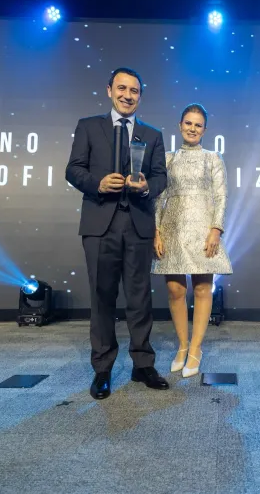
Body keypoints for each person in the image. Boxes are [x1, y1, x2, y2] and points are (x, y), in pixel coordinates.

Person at [66, 67, 169, 399]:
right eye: (122, 89)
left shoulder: (152, 135)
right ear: (109, 90)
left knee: (140, 299)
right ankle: (103, 371)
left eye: (134, 91)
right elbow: (73, 169)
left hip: (138, 223)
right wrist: (97, 184)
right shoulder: (88, 126)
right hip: (99, 225)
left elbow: (160, 178)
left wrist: (144, 188)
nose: (128, 95)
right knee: (102, 299)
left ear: (141, 95)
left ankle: (142, 365)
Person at [152, 103, 233, 377]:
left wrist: (215, 230)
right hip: (171, 228)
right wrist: (156, 231)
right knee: (175, 289)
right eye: (188, 123)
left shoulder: (213, 158)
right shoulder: (167, 159)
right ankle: (182, 346)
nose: (192, 128)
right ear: (180, 126)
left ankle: (196, 349)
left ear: (204, 130)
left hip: (202, 230)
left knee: (202, 289)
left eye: (198, 125)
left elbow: (221, 196)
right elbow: (158, 197)